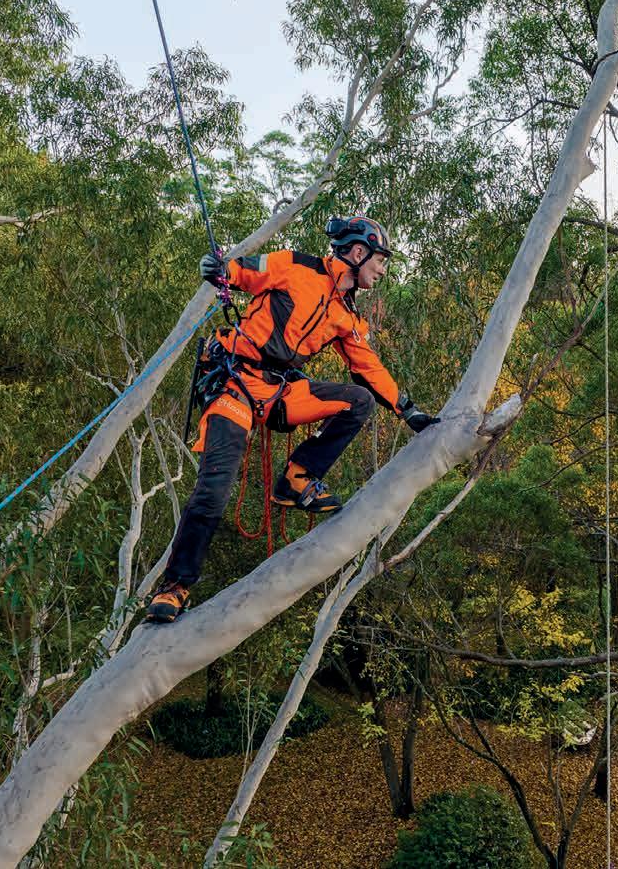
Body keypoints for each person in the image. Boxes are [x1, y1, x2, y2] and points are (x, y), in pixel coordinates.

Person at [145, 216, 439, 623]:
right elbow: (241, 272)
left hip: (279, 392)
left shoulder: (348, 315)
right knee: (214, 489)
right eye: (380, 260)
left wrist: (408, 410)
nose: (383, 270)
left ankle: (297, 478)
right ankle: (174, 588)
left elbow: (368, 368)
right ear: (359, 252)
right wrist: (219, 269)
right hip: (235, 384)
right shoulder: (294, 265)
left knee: (357, 402)